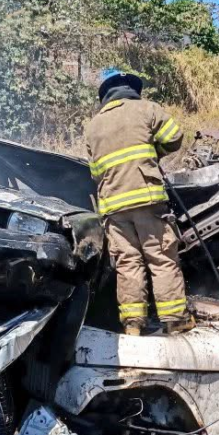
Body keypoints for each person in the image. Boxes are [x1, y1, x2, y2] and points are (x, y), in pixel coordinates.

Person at [82, 67, 192, 335]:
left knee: (128, 263)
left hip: (114, 207)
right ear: (131, 88)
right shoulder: (146, 109)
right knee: (161, 257)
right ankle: (174, 320)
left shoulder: (92, 126)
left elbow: (95, 173)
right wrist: (153, 151)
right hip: (148, 200)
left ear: (104, 94)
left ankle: (132, 325)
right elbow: (174, 137)